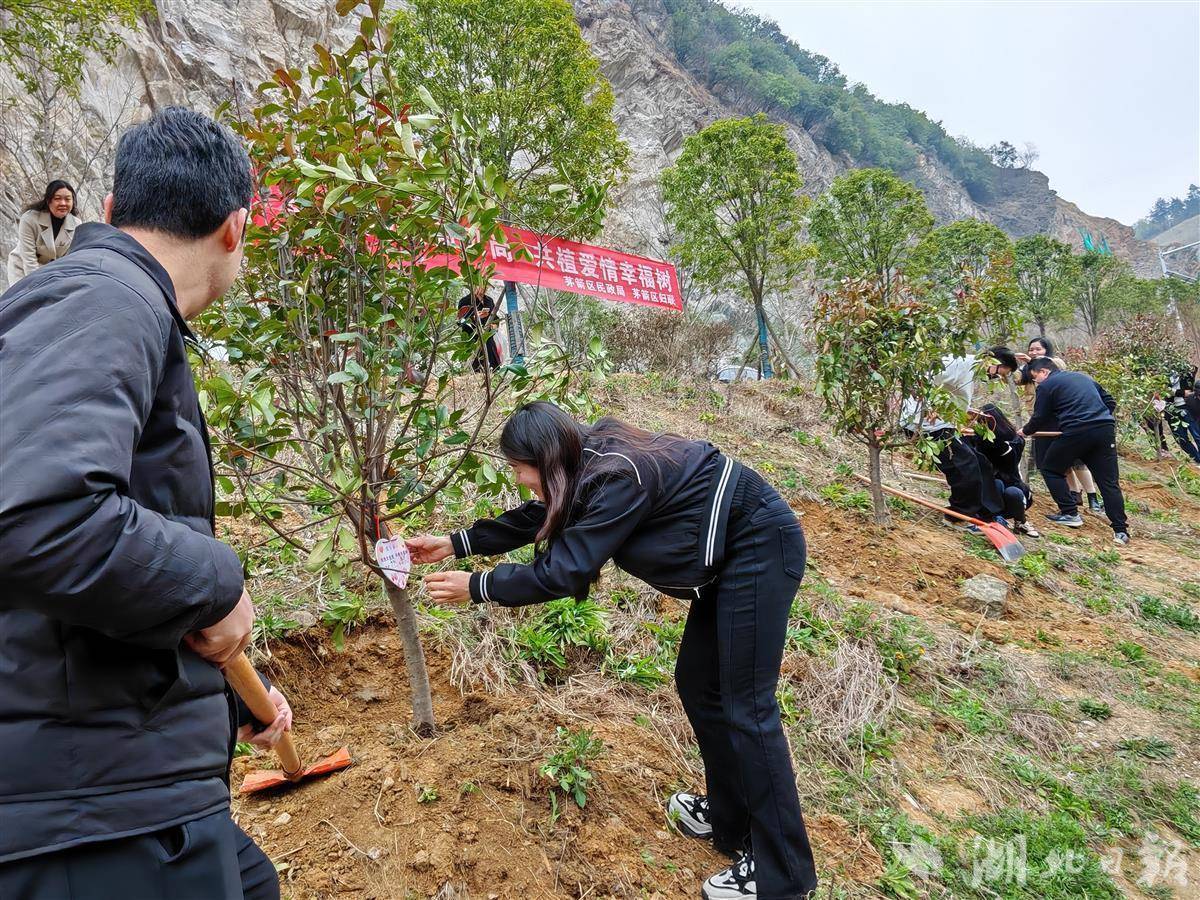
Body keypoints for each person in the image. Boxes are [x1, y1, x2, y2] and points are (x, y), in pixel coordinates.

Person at [0, 108, 290, 899]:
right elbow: (40, 520)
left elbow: (106, 563)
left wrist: (234, 702)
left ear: (111, 206)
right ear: (235, 228)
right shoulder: (103, 296)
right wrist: (217, 582)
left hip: (126, 784)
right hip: (89, 812)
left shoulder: (108, 303)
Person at [408, 401, 818, 900]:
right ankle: (730, 818)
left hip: (758, 547)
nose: (519, 480)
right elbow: (544, 514)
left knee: (746, 707)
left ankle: (782, 876)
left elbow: (564, 570)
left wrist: (479, 586)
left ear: (544, 458)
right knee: (700, 685)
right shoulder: (584, 467)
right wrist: (456, 543)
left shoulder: (618, 475)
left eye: (518, 468)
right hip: (729, 561)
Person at [1018, 357, 1129, 544]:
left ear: (1044, 371)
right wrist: (1098, 417)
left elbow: (1040, 417)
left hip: (1076, 431)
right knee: (1109, 482)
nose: (1035, 381)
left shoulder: (1046, 386)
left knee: (1050, 468)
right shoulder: (1083, 377)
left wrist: (1024, 431)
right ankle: (1121, 531)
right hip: (1105, 430)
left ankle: (1070, 513)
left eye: (1035, 377)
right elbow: (1110, 401)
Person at [900, 349, 1012, 526]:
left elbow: (952, 395)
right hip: (925, 425)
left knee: (980, 463)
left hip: (944, 424)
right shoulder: (957, 364)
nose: (995, 378)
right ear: (993, 362)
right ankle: (958, 516)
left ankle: (986, 513)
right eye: (999, 374)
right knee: (965, 465)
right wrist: (929, 406)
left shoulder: (972, 370)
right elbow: (918, 379)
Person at [1015, 337, 1104, 513]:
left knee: (1076, 460)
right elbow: (1016, 379)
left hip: (1060, 418)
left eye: (1038, 349)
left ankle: (1092, 496)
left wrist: (1032, 361)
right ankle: (1074, 494)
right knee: (1059, 461)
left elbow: (1057, 367)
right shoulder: (1029, 370)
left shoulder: (1055, 364)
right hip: (1040, 421)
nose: (1034, 352)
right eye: (1031, 349)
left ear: (1047, 350)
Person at [973, 403, 1040, 537]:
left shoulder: (1015, 441)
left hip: (1013, 492)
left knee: (1012, 492)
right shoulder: (978, 441)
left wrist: (996, 444)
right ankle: (991, 517)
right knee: (996, 484)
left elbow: (1009, 461)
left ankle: (1021, 521)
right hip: (988, 495)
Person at [6, 179, 81, 285]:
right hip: (23, 267)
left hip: (50, 273)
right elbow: (29, 259)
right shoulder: (30, 219)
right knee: (24, 295)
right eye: (57, 199)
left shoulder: (76, 224)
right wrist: (37, 285)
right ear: (48, 200)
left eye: (68, 199)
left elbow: (68, 259)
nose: (63, 203)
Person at [458, 281, 502, 372]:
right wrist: (474, 318)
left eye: (486, 286)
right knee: (476, 368)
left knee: (493, 368)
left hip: (488, 339)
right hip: (473, 339)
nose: (484, 288)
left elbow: (495, 317)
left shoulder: (489, 300)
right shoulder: (465, 301)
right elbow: (461, 321)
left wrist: (495, 325)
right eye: (481, 285)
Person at [1165, 364, 1200, 464]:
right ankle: (1197, 459)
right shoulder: (1163, 372)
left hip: (1187, 406)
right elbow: (1163, 389)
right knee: (1181, 438)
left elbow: (1190, 390)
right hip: (1171, 408)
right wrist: (1180, 393)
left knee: (1197, 435)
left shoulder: (1186, 369)